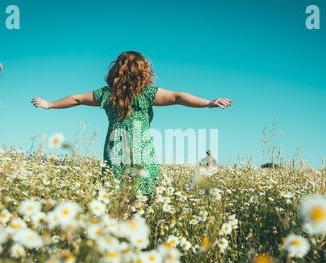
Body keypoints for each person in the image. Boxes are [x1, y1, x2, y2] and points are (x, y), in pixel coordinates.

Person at [31, 51, 232, 194]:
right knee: (143, 198)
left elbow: (76, 99)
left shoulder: (106, 94)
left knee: (116, 196)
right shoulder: (146, 93)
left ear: (115, 71)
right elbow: (178, 97)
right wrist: (208, 103)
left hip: (114, 151)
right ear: (143, 71)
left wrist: (50, 104)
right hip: (142, 153)